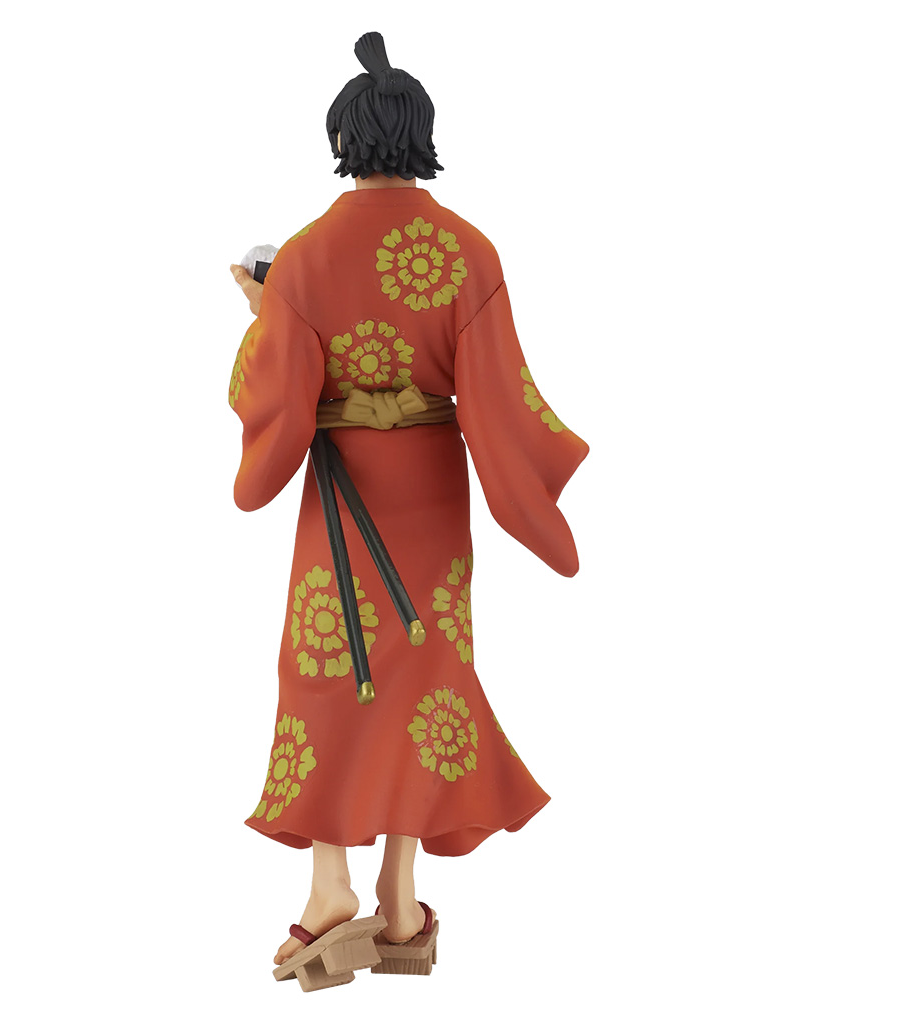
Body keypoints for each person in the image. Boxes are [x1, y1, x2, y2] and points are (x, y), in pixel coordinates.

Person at [229, 31, 589, 970]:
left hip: (343, 493)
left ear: (341, 140)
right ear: (423, 136)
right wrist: (539, 498)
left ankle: (332, 888)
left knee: (327, 668)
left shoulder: (303, 258)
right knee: (419, 673)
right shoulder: (469, 251)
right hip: (431, 489)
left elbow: (279, 394)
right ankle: (396, 905)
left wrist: (266, 317)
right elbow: (503, 397)